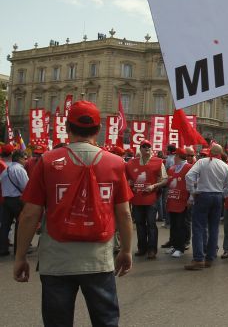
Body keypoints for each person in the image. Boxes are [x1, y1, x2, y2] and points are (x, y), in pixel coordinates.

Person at [13, 100, 133, 327]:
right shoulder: (116, 163)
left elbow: (30, 214)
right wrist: (126, 250)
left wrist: (20, 257)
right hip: (98, 260)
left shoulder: (47, 160)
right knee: (106, 322)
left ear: (67, 128)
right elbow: (124, 214)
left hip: (56, 260)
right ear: (98, 130)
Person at [184, 144, 228, 270]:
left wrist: (192, 191)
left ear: (210, 151)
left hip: (203, 195)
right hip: (217, 196)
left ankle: (198, 259)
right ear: (221, 153)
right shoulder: (225, 165)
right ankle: (210, 258)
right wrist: (222, 195)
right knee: (214, 228)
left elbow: (189, 176)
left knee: (198, 227)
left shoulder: (202, 161)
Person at [125, 139, 167, 259]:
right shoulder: (131, 163)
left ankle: (152, 249)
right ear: (140, 148)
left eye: (149, 146)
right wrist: (130, 183)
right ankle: (142, 248)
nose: (147, 148)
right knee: (139, 224)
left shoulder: (159, 162)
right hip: (137, 199)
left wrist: (154, 186)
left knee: (151, 224)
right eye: (144, 146)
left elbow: (165, 179)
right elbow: (126, 179)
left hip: (151, 198)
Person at [0, 149, 29, 256]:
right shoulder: (19, 170)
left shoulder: (5, 170)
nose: (26, 161)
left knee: (5, 226)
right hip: (17, 200)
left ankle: (3, 249)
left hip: (6, 200)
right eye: (25, 158)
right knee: (20, 224)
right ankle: (19, 250)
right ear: (20, 158)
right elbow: (26, 187)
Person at [165, 148, 192, 258]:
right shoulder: (172, 169)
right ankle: (174, 245)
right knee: (174, 225)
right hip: (172, 200)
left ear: (180, 156)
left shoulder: (189, 168)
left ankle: (180, 248)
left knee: (181, 225)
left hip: (182, 201)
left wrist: (191, 198)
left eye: (175, 156)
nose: (174, 158)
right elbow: (168, 182)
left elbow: (193, 183)